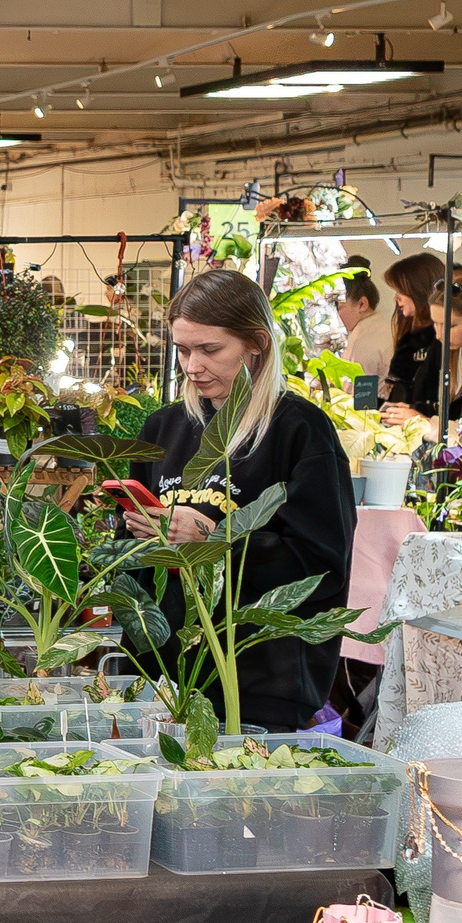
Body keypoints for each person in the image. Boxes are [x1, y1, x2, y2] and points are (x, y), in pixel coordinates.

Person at [124, 269, 354, 734]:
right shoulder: (163, 429)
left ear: (257, 343)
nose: (193, 366)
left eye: (210, 350)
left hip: (262, 678)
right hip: (172, 674)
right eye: (184, 350)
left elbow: (321, 561)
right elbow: (129, 559)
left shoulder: (298, 430)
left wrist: (210, 536)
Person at [385, 278, 462, 440]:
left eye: (449, 326)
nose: (439, 335)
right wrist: (415, 411)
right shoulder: (451, 354)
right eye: (435, 324)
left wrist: (425, 423)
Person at [380, 251, 445, 409]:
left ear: (418, 289)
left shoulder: (440, 340)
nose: (396, 298)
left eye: (400, 291)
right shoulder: (409, 338)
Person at [338, 268, 391, 391]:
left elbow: (353, 395)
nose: (336, 315)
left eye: (340, 308)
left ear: (362, 304)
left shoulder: (362, 340)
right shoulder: (383, 326)